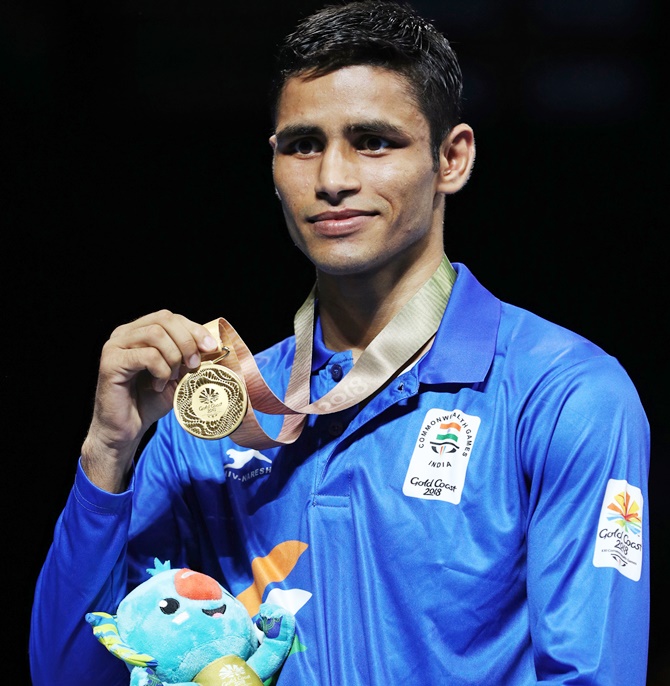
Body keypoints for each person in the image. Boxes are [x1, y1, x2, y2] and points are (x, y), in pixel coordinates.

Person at [30, 1, 651, 684]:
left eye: (373, 141)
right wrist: (109, 453)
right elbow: (74, 675)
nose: (332, 179)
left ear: (452, 158)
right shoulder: (210, 421)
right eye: (303, 145)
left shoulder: (562, 395)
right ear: (273, 165)